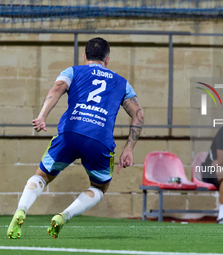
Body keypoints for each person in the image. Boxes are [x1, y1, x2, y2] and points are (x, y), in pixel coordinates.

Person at [7, 37, 144, 239]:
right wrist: (129, 148)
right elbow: (138, 114)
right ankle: (64, 216)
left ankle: (21, 210)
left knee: (42, 176)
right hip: (99, 140)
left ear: (84, 56)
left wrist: (42, 116)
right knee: (99, 186)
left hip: (69, 135)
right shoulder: (122, 83)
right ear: (107, 60)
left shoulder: (73, 71)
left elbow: (57, 89)